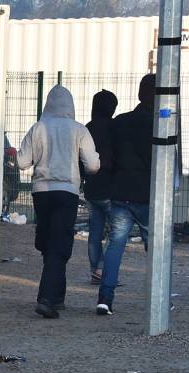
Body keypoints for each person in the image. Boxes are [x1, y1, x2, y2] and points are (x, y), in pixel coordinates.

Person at [17, 85, 99, 319]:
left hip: (41, 191)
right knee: (59, 244)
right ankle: (47, 298)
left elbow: (23, 162)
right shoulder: (79, 130)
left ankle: (57, 296)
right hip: (67, 191)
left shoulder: (38, 127)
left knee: (47, 242)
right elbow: (93, 165)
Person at [97, 75, 156, 316]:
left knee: (115, 247)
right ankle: (158, 297)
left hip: (121, 192)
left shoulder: (120, 123)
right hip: (149, 195)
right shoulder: (161, 123)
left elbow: (108, 158)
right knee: (155, 248)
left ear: (139, 93)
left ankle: (105, 298)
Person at [84, 90, 118, 285]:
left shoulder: (87, 128)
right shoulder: (115, 128)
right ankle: (105, 271)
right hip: (111, 188)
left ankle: (95, 269)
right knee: (115, 234)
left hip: (91, 187)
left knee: (95, 233)